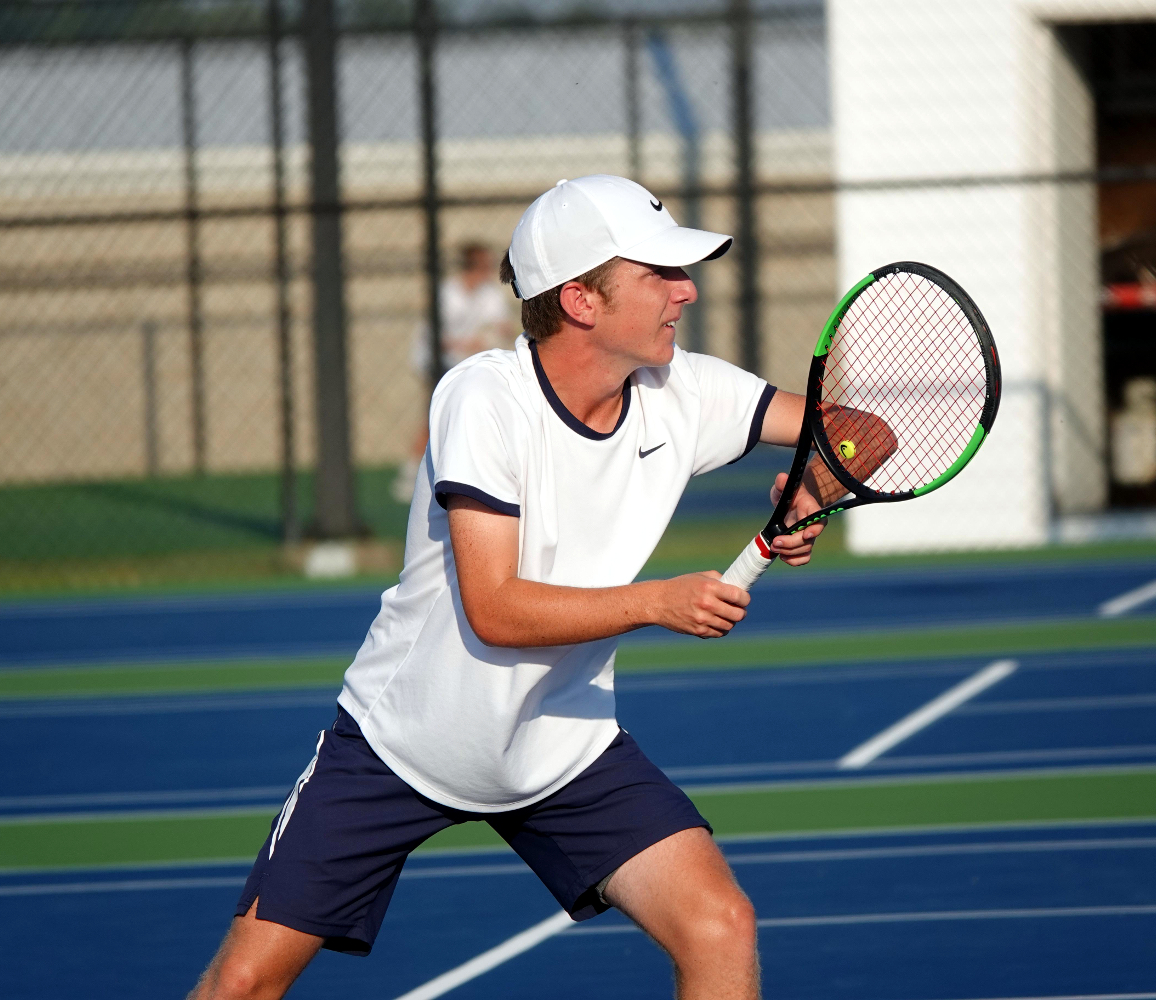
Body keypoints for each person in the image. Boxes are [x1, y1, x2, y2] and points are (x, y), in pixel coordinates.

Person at [189, 175, 827, 1000]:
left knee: (719, 926)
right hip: (400, 747)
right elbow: (496, 610)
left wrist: (816, 481)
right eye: (659, 275)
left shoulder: (688, 394)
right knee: (242, 984)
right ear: (581, 301)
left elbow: (861, 429)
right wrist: (657, 602)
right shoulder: (484, 397)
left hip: (563, 747)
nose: (688, 290)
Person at [393, 242, 514, 501]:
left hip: (467, 362)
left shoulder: (489, 293)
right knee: (435, 414)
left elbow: (500, 324)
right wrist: (467, 343)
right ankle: (411, 474)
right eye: (483, 264)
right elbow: (434, 338)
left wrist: (502, 331)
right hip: (436, 360)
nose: (488, 269)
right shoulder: (447, 293)